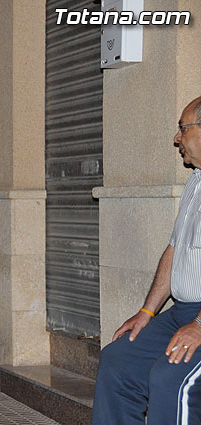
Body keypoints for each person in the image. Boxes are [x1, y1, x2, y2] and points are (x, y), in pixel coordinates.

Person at [91, 96, 201, 424]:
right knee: (118, 360)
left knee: (171, 378)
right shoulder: (195, 182)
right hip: (184, 310)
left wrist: (198, 327)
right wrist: (147, 311)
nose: (176, 138)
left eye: (183, 129)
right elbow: (174, 250)